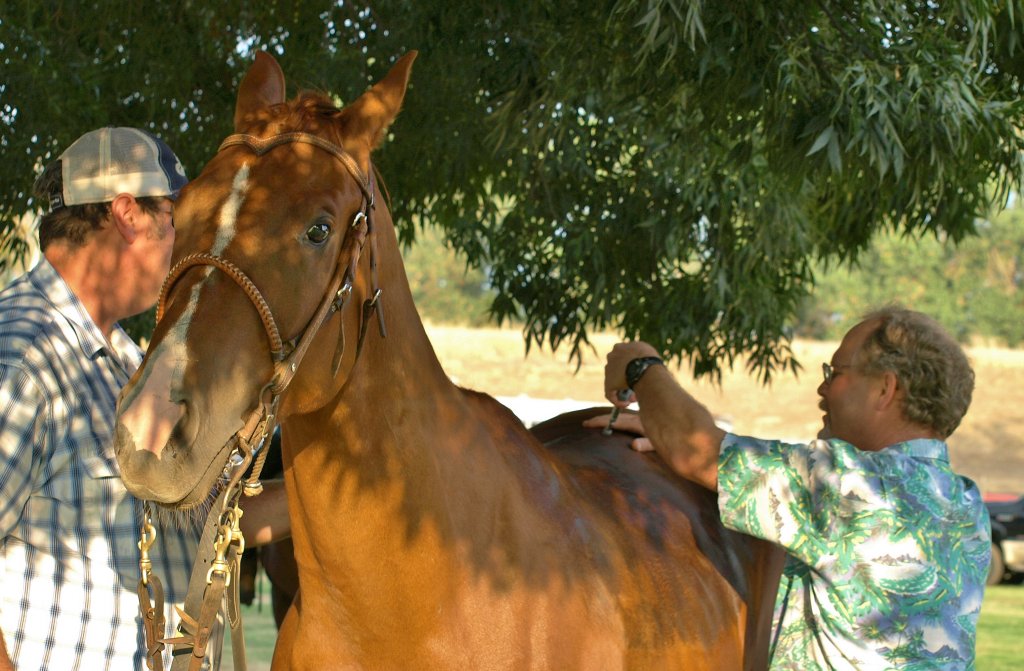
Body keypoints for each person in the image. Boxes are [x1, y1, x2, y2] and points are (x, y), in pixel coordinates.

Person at [0, 127, 289, 671]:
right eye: (175, 220)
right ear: (128, 213)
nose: (184, 243)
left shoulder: (132, 366)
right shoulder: (20, 357)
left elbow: (216, 524)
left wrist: (326, 486)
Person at [585, 306, 991, 669]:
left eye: (836, 373)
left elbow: (698, 451)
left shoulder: (852, 487)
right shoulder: (965, 504)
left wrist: (641, 366)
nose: (823, 388)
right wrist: (672, 432)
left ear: (885, 389)